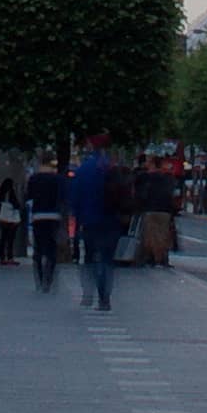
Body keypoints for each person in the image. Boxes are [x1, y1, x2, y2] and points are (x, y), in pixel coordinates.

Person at [68, 133, 125, 310]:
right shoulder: (113, 167)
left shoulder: (85, 168)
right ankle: (104, 297)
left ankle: (88, 294)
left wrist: (77, 217)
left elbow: (75, 197)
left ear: (91, 145)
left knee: (90, 258)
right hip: (112, 220)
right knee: (107, 260)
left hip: (90, 220)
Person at [26, 148, 68, 292]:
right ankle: (48, 279)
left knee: (38, 247)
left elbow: (28, 196)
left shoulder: (34, 178)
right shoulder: (57, 179)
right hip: (53, 216)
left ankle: (39, 277)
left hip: (38, 215)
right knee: (51, 247)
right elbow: (62, 198)